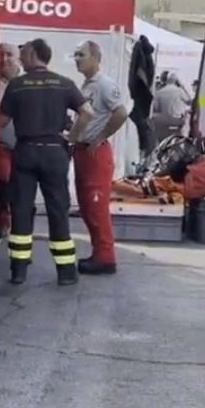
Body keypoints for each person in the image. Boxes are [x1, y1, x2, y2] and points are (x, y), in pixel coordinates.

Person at [0, 38, 85, 286]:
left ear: (34, 54)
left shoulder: (17, 85)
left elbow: (1, 122)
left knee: (21, 209)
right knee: (58, 210)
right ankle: (66, 272)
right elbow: (87, 112)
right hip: (55, 152)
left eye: (23, 53)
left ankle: (18, 271)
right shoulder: (64, 83)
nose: (20, 58)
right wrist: (72, 137)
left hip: (26, 151)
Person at [70, 40, 129, 275]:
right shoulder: (86, 86)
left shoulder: (104, 85)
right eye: (76, 54)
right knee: (86, 206)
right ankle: (98, 253)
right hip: (83, 151)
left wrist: (100, 136)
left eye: (81, 54)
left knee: (96, 207)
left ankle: (106, 257)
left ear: (96, 58)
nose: (77, 59)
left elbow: (121, 112)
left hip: (95, 153)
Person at [0, 43, 23, 239]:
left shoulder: (27, 84)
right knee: (4, 184)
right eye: (1, 54)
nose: (4, 59)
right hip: (1, 147)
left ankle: (20, 224)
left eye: (9, 55)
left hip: (23, 147)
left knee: (21, 188)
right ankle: (2, 221)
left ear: (18, 59)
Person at [128, 35, 157, 159]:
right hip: (143, 98)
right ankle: (144, 151)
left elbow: (138, 77)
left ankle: (142, 150)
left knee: (139, 123)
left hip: (139, 97)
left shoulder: (139, 52)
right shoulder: (147, 56)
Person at [150, 72, 192, 146]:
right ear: (176, 81)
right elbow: (189, 101)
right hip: (176, 121)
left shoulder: (159, 92)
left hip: (161, 123)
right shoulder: (179, 91)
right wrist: (182, 86)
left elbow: (155, 108)